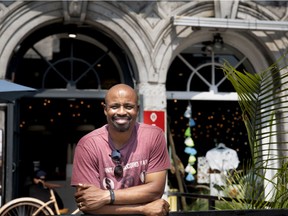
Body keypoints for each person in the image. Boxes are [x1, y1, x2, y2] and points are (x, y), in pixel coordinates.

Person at [71, 84, 171, 215]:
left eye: (128, 106)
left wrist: (106, 196)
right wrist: (142, 209)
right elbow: (87, 203)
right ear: (105, 109)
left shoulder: (154, 136)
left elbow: (155, 190)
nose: (122, 112)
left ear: (137, 109)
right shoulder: (88, 145)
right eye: (114, 106)